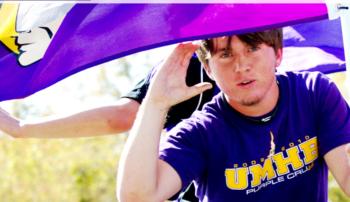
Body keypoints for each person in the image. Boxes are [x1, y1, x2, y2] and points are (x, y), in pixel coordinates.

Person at [117, 29, 350, 202]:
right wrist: (156, 103)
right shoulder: (201, 132)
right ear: (208, 69)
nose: (241, 66)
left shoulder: (314, 93)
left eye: (252, 48)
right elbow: (137, 197)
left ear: (278, 54)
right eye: (226, 55)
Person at [0, 55, 215, 201]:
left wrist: (22, 128)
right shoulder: (186, 63)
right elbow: (123, 116)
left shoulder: (192, 63)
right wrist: (22, 128)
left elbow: (123, 116)